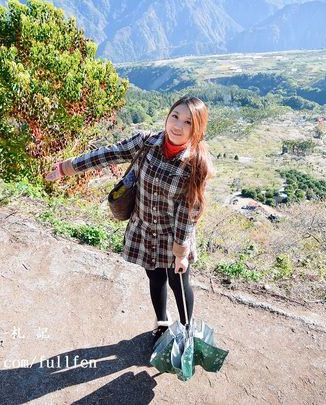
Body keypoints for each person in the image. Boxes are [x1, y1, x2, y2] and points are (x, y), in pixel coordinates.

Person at [45, 95, 214, 345]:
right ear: (167, 116)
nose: (177, 126)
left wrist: (180, 251)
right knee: (155, 278)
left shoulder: (196, 163)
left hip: (174, 236)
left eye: (187, 122)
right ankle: (162, 324)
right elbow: (106, 155)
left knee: (179, 283)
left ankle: (188, 333)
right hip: (143, 230)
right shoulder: (145, 143)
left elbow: (190, 211)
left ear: (196, 128)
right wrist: (65, 168)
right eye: (175, 116)